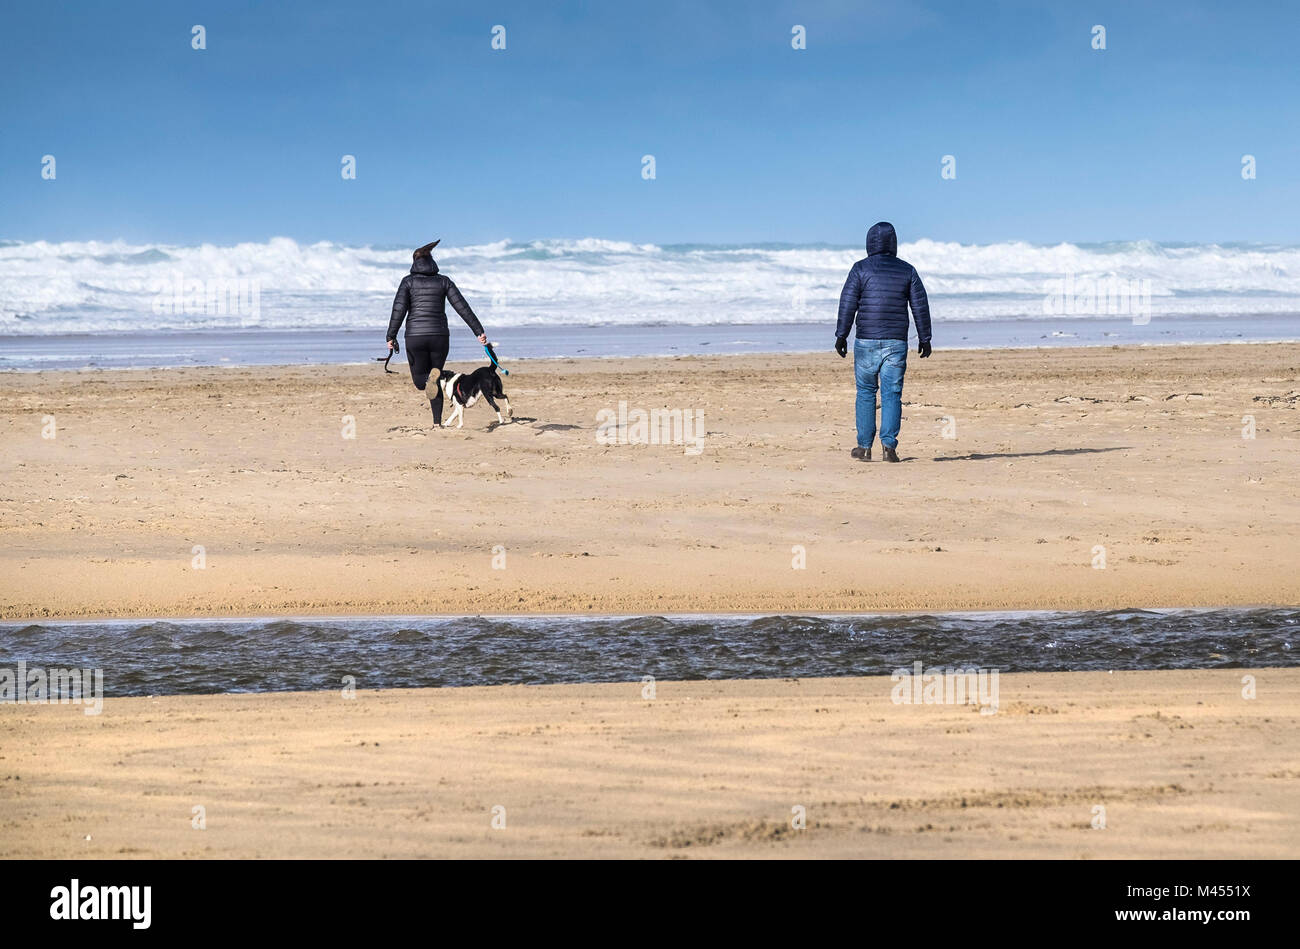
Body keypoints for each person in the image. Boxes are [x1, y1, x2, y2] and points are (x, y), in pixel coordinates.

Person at [834, 222, 932, 463]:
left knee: (866, 392)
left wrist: (841, 335)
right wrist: (925, 337)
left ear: (869, 243)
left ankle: (864, 447)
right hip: (896, 342)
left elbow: (847, 303)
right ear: (894, 243)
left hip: (866, 341)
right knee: (892, 394)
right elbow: (920, 305)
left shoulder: (859, 269)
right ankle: (889, 447)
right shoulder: (907, 270)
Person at [385, 240, 488, 427]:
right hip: (439, 337)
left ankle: (430, 385)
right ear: (432, 261)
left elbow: (398, 310)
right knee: (436, 377)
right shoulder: (443, 281)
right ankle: (436, 424)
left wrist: (391, 335)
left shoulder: (408, 282)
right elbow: (462, 307)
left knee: (421, 382)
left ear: (414, 263)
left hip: (416, 337)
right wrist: (478, 330)